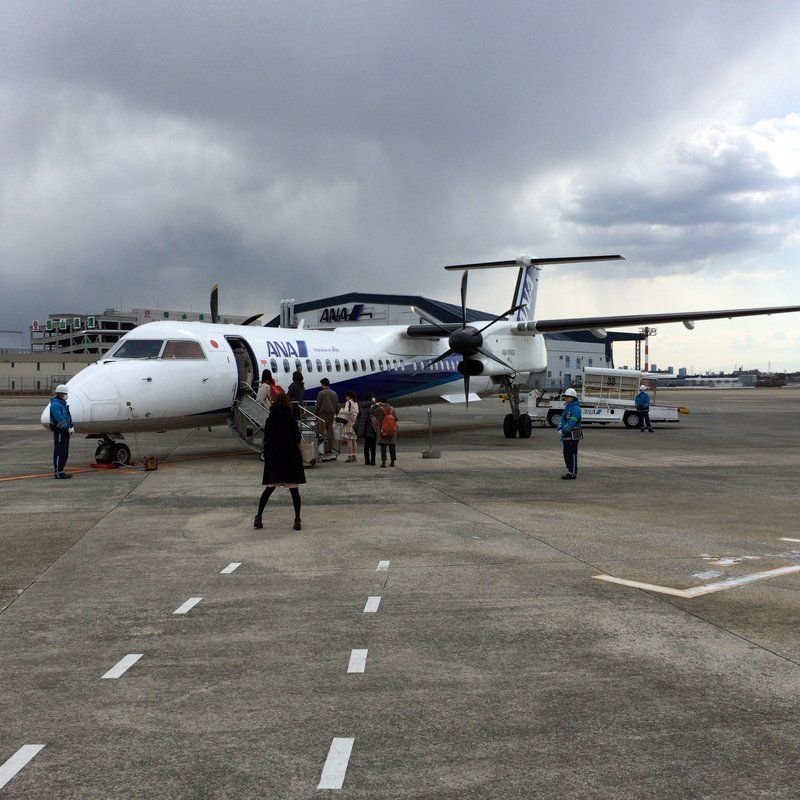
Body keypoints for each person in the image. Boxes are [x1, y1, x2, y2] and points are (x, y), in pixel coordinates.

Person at [254, 393, 306, 531]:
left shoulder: (270, 419)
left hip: (275, 459)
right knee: (294, 491)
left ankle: (258, 517)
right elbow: (297, 437)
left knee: (269, 489)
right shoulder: (290, 419)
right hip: (290, 458)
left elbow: (267, 440)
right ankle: (297, 519)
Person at [49, 384, 74, 479]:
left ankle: (61, 470)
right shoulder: (55, 404)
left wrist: (71, 426)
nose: (66, 395)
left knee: (64, 451)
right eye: (65, 393)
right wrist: (67, 427)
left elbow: (68, 416)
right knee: (60, 451)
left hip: (64, 431)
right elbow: (59, 418)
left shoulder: (62, 403)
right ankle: (58, 472)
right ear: (60, 394)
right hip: (60, 431)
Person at [558, 387, 582, 480]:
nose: (566, 398)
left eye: (568, 397)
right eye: (565, 397)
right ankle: (569, 470)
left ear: (573, 398)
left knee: (572, 453)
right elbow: (562, 418)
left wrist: (563, 430)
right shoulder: (567, 407)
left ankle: (573, 472)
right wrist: (559, 427)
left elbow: (572, 422)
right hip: (567, 433)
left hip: (574, 433)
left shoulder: (576, 409)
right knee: (566, 453)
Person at [314, 378, 340, 455]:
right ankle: (330, 448)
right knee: (330, 432)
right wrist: (337, 413)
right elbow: (337, 405)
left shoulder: (321, 393)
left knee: (321, 432)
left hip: (322, 415)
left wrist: (315, 414)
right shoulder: (334, 393)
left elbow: (318, 405)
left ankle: (321, 450)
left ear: (323, 384)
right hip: (331, 415)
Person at [372, 397, 399, 468]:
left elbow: (371, 411)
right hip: (392, 430)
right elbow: (396, 418)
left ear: (380, 402)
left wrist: (376, 404)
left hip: (383, 430)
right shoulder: (392, 409)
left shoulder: (379, 409)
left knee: (383, 446)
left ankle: (383, 462)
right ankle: (392, 462)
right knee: (392, 446)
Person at [355, 391, 377, 465]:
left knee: (366, 445)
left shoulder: (362, 406)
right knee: (373, 446)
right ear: (371, 399)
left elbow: (358, 418)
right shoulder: (373, 406)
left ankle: (367, 460)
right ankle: (373, 460)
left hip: (365, 429)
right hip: (373, 429)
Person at [338, 390, 359, 462]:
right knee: (354, 440)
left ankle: (350, 457)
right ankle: (354, 456)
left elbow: (346, 411)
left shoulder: (348, 402)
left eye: (346, 396)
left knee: (349, 441)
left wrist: (341, 410)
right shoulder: (356, 403)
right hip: (354, 423)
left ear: (348, 396)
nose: (346, 397)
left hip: (348, 423)